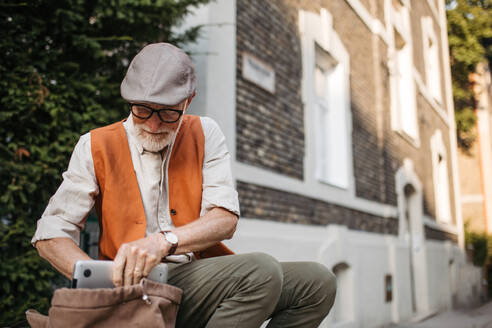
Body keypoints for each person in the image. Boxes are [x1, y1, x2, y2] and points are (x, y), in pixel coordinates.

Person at [32, 43, 337, 328]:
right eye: (142, 110)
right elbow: (50, 234)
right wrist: (100, 279)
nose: (153, 124)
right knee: (261, 271)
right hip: (135, 287)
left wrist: (164, 241)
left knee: (317, 282)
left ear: (187, 101)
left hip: (195, 275)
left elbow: (224, 219)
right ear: (129, 99)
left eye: (167, 113)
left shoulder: (206, 132)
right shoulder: (95, 144)